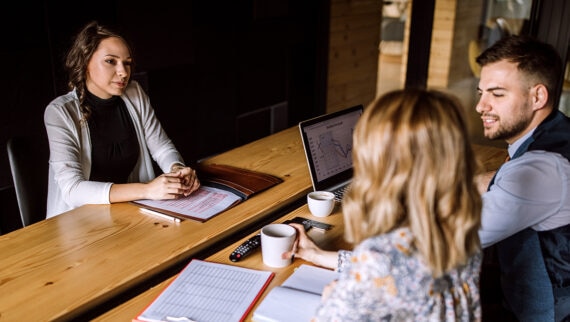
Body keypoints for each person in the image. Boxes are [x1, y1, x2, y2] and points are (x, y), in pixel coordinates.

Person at [285, 88, 483, 320]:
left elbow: (384, 267)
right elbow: (402, 271)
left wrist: (331, 299)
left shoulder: (380, 259)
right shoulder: (459, 228)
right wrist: (317, 255)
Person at [44, 21, 200, 218]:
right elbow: (73, 190)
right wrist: (147, 190)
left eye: (127, 63)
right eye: (111, 61)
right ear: (85, 63)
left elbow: (161, 147)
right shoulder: (59, 112)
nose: (123, 72)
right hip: (77, 222)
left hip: (128, 213)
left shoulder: (134, 92)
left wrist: (177, 170)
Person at [474, 35, 570, 321]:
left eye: (497, 94)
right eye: (481, 92)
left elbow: (448, 238)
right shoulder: (557, 136)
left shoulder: (540, 169)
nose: (481, 106)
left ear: (538, 97)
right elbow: (506, 178)